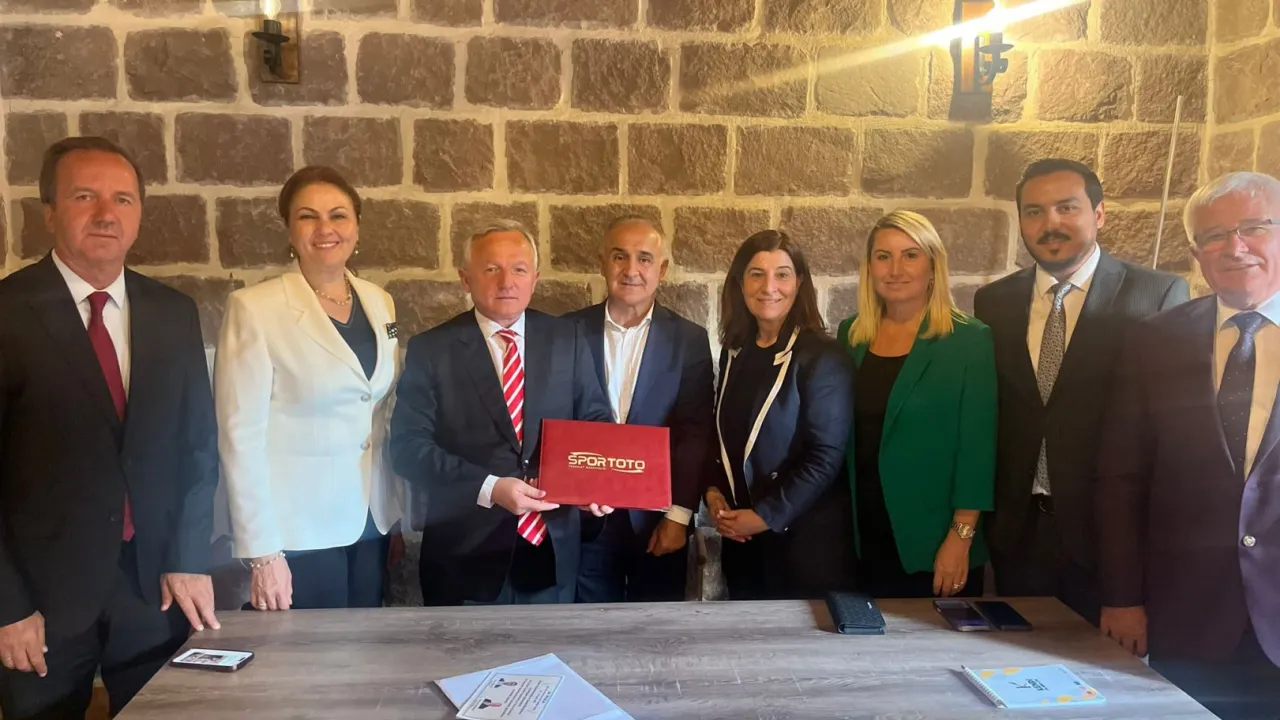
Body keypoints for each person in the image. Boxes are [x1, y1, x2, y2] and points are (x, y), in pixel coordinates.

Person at [0, 137, 219, 719]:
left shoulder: (173, 312)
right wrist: (6, 606)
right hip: (40, 601)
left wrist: (188, 557)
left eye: (122, 199)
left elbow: (198, 448)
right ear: (49, 211)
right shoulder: (7, 312)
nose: (106, 214)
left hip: (154, 589)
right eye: (84, 197)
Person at [1097, 171, 1280, 719]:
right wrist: (1122, 597)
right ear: (1197, 254)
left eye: (1253, 228)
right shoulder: (1156, 340)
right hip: (1187, 616)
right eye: (1214, 236)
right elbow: (1122, 479)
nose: (1235, 247)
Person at [975, 159, 1189, 624]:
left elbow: (1167, 432)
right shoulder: (993, 302)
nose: (1049, 223)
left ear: (1100, 213)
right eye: (1034, 212)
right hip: (1018, 535)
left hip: (1108, 538)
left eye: (1066, 207)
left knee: (1103, 669)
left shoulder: (1157, 295)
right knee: (1017, 659)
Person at [390, 220, 615, 606]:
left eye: (519, 269)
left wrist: (593, 483)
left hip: (552, 554)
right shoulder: (433, 349)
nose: (507, 281)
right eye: (491, 268)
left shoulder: (568, 339)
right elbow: (408, 448)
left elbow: (596, 425)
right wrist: (490, 488)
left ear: (535, 278)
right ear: (466, 279)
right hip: (465, 559)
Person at [214, 166, 405, 612]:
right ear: (289, 229)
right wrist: (263, 553)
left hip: (371, 521)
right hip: (297, 533)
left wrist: (393, 515)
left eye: (338, 215)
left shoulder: (380, 302)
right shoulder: (254, 308)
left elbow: (377, 409)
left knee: (366, 646)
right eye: (308, 216)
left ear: (356, 226)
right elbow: (239, 437)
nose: (325, 229)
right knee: (314, 653)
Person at [837, 210, 996, 599]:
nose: (895, 269)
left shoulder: (968, 340)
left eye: (910, 255)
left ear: (932, 265)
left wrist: (961, 536)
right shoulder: (852, 335)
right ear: (870, 267)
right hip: (864, 533)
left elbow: (977, 448)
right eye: (883, 256)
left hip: (934, 539)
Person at [567, 217, 714, 603]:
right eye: (620, 257)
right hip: (583, 521)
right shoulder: (565, 332)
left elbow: (695, 434)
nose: (631, 270)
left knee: (655, 629)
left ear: (661, 270)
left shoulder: (689, 340)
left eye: (644, 258)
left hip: (657, 521)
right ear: (603, 263)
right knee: (586, 628)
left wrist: (678, 515)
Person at [705, 230, 854, 600]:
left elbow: (825, 457)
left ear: (799, 282)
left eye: (782, 274)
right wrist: (713, 491)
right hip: (743, 541)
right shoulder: (735, 350)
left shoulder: (823, 356)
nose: (769, 287)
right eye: (756, 274)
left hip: (801, 545)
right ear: (739, 283)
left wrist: (765, 517)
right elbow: (723, 435)